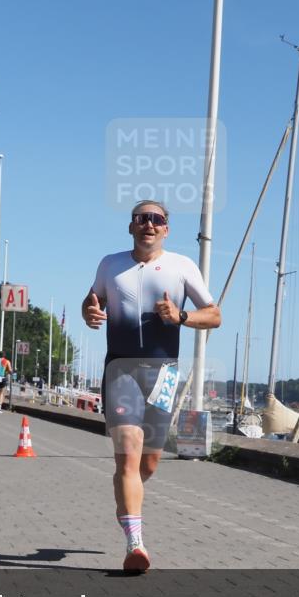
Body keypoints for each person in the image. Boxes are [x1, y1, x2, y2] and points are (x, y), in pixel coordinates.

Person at [82, 200, 221, 573]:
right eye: (142, 219)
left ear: (166, 229)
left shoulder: (182, 265)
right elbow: (91, 300)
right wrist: (90, 312)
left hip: (164, 372)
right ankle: (135, 544)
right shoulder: (111, 264)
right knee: (127, 454)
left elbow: (215, 315)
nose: (149, 224)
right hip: (121, 368)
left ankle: (126, 497)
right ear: (131, 227)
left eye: (157, 220)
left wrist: (182, 316)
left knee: (149, 463)